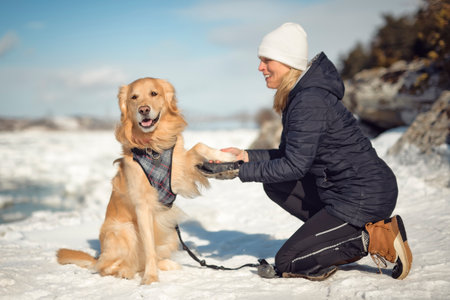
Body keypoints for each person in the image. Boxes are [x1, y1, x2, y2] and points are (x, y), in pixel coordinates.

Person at [207, 22, 413, 280]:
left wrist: (240, 171)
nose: (260, 67)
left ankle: (375, 237)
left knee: (288, 261)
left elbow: (294, 166)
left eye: (266, 60)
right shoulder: (301, 96)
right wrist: (246, 156)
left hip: (362, 196)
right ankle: (327, 241)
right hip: (342, 192)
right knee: (275, 184)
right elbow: (289, 155)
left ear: (287, 61)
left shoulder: (309, 100)